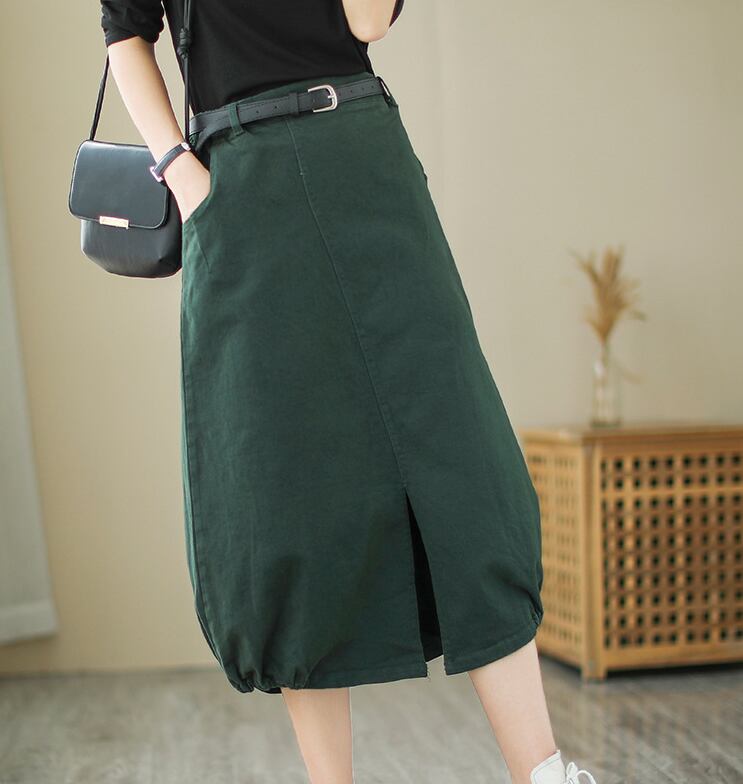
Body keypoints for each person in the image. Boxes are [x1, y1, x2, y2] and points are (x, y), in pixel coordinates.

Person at [99, 2, 599, 783]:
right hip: (236, 187)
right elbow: (125, 33)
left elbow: (366, 23)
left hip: (361, 155)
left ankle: (543, 773)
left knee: (461, 458)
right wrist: (181, 170)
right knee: (281, 488)